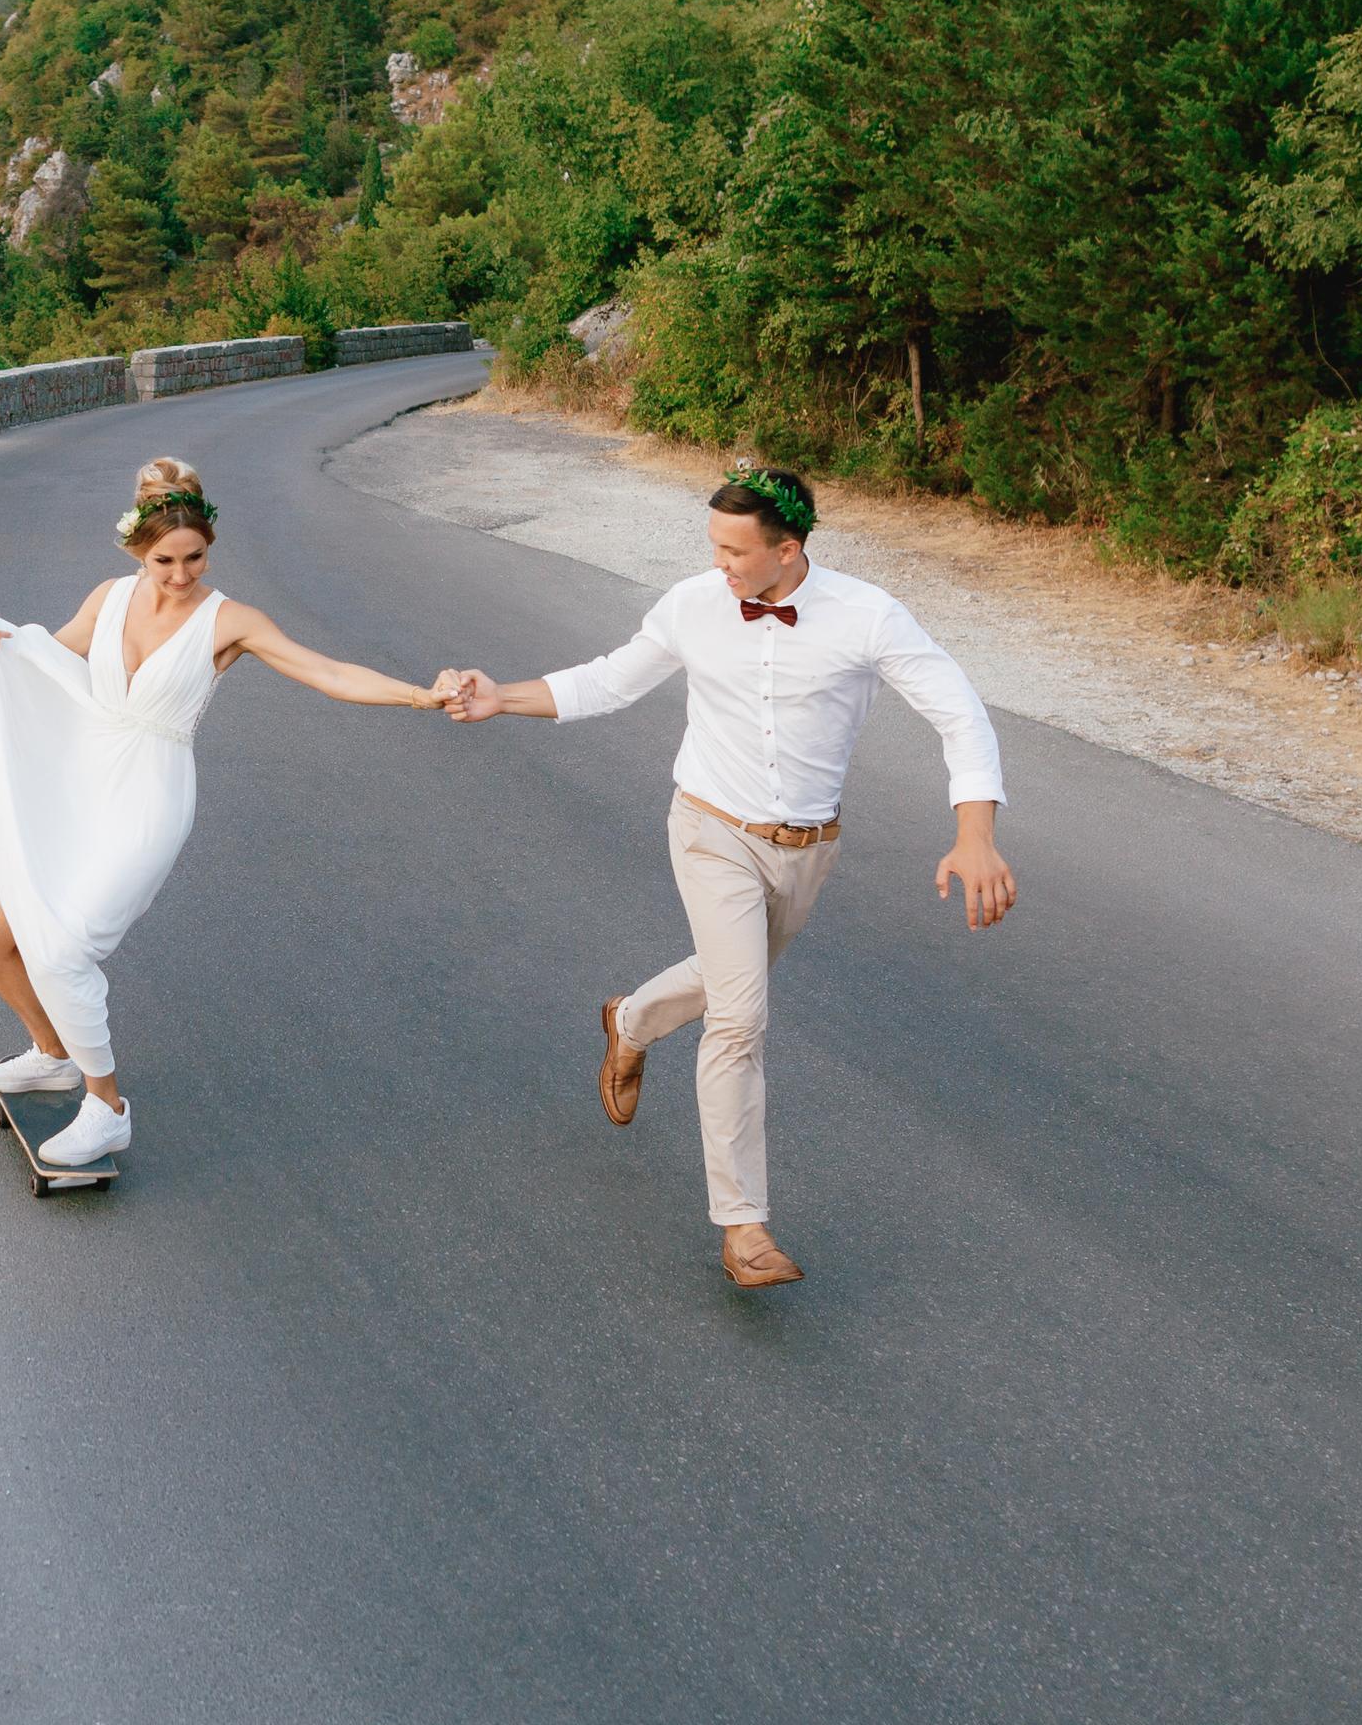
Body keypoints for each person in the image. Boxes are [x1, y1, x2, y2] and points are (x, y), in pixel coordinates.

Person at [435, 468, 1015, 1289]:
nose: (721, 566)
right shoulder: (693, 605)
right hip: (710, 831)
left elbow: (958, 712)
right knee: (740, 1018)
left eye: (737, 551)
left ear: (790, 548)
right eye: (713, 545)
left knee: (724, 977)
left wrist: (975, 834)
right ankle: (743, 1227)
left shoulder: (868, 616)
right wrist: (504, 697)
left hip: (809, 848)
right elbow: (609, 680)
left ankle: (630, 1020)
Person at [0, 455, 445, 1169]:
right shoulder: (109, 598)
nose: (180, 575)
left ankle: (106, 1109)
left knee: (65, 946)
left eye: (195, 558)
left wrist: (420, 695)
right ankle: (53, 1053)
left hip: (147, 796)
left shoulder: (230, 619)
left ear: (209, 547)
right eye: (165, 559)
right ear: (138, 548)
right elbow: (44, 656)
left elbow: (327, 672)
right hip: (72, 783)